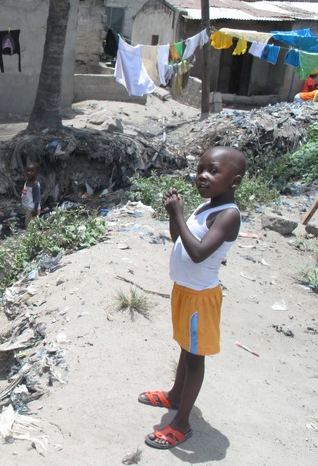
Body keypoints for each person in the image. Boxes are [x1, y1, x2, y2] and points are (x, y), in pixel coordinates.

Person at [139, 146, 245, 450]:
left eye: (213, 171)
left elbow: (198, 253)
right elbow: (180, 240)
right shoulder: (206, 207)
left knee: (195, 357)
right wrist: (176, 216)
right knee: (186, 346)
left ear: (234, 181)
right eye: (200, 169)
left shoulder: (228, 215)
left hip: (200, 297)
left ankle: (182, 423)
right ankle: (174, 395)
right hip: (184, 291)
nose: (202, 176)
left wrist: (179, 213)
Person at [21, 162, 41, 228]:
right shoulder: (27, 182)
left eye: (32, 171)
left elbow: (37, 198)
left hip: (33, 208)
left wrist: (35, 209)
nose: (29, 173)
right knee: (28, 224)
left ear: (37, 172)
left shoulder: (35, 185)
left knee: (30, 226)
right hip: (29, 207)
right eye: (28, 171)